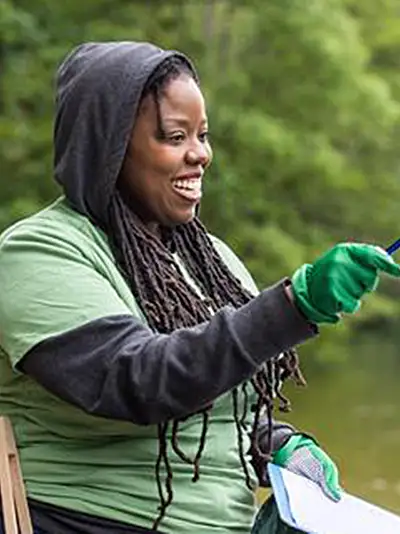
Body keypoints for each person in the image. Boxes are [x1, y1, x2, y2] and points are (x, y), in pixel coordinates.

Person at [0, 41, 399, 534]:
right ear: (109, 148)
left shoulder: (210, 260)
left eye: (203, 135)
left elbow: (224, 408)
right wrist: (293, 306)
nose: (201, 154)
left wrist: (275, 444)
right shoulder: (35, 254)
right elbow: (137, 381)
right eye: (175, 136)